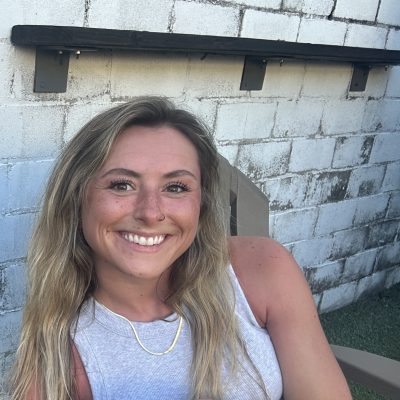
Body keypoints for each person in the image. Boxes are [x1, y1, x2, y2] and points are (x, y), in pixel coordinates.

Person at [10, 97, 351, 400]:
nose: (150, 212)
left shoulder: (261, 269)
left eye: (175, 187)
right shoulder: (60, 357)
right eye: (122, 185)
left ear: (201, 204)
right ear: (76, 198)